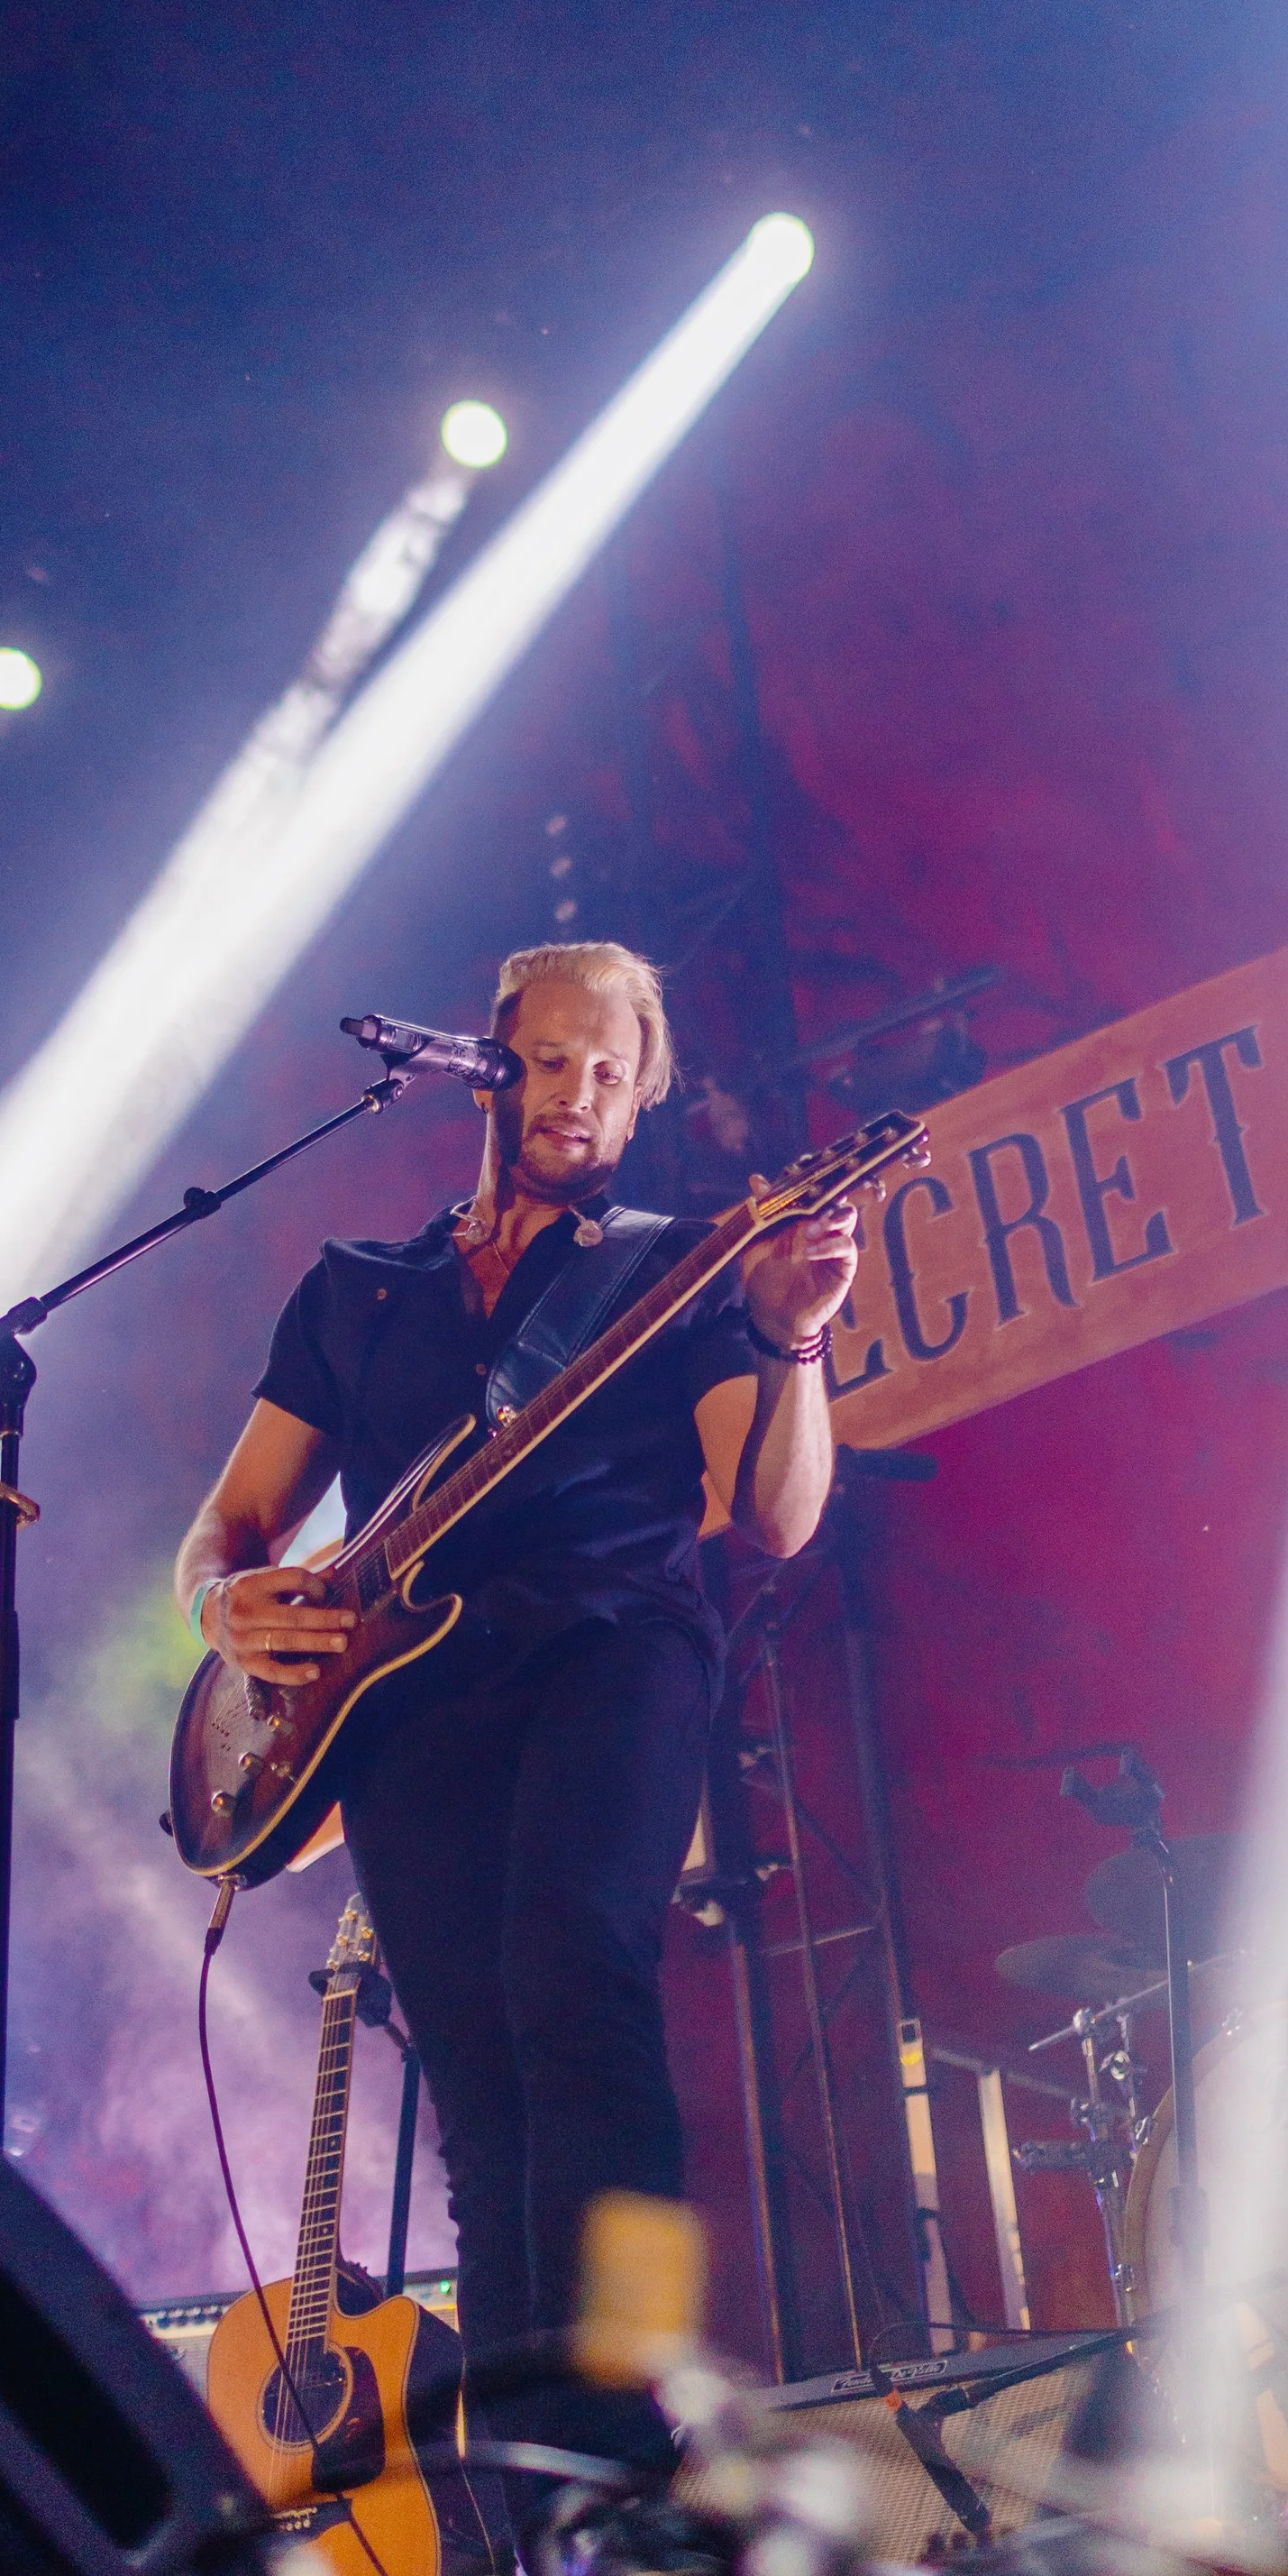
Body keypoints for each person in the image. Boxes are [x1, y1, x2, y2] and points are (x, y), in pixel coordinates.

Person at [176, 939, 856, 2498]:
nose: (582, 1096)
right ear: (490, 1061)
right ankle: (517, 2484)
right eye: (554, 1061)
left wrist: (795, 1334)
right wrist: (225, 1605)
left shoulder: (686, 1267)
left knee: (576, 1967)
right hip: (407, 1704)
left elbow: (779, 1512)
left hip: (612, 1648)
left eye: (615, 1074)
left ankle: (628, 2433)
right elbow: (231, 1525)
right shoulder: (356, 1289)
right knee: (479, 2081)